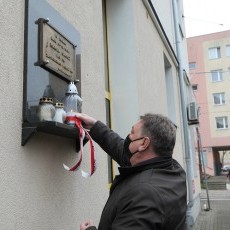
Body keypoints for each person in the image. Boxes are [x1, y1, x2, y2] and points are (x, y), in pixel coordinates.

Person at [78, 113, 187, 230]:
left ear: (144, 143)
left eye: (132, 132)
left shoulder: (145, 194)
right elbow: (121, 150)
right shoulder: (173, 169)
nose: (128, 136)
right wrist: (94, 126)